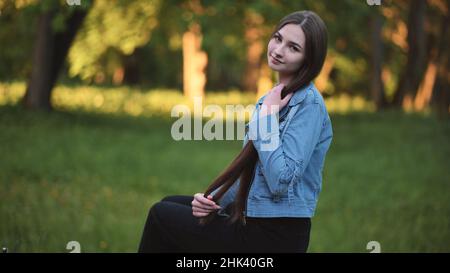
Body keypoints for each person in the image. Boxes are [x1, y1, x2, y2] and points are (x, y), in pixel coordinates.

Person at [138, 10, 333, 253]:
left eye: (293, 47)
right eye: (277, 38)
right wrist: (213, 201)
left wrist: (267, 119)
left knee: (161, 216)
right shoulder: (272, 97)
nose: (278, 49)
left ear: (309, 59)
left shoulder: (308, 106)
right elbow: (249, 169)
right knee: (171, 204)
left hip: (274, 235)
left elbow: (280, 181)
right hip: (252, 216)